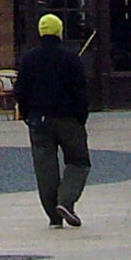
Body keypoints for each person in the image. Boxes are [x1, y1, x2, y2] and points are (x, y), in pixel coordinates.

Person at [13, 12, 91, 230]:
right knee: (78, 161)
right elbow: (80, 91)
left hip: (39, 121)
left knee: (45, 168)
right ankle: (66, 201)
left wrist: (27, 115)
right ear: (59, 32)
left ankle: (54, 216)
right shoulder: (70, 58)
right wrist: (81, 117)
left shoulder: (28, 59)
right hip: (68, 119)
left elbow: (20, 91)